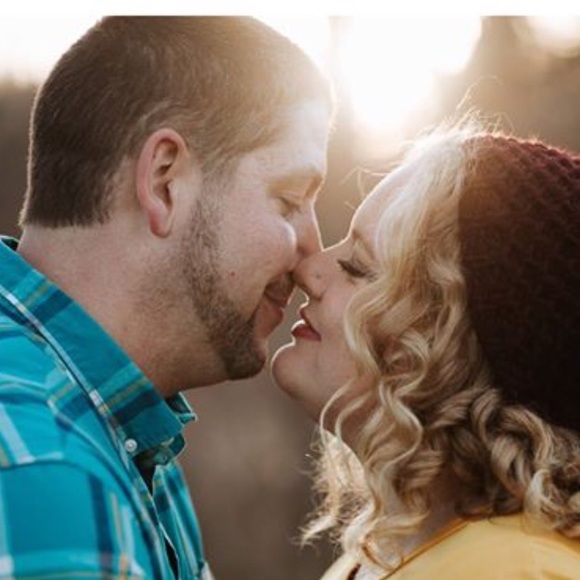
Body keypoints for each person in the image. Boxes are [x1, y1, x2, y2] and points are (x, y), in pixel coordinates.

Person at [0, 16, 332, 579]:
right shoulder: (51, 472)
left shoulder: (125, 439)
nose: (312, 254)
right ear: (164, 180)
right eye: (288, 200)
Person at [272, 121, 580, 579]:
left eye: (357, 267)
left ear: (451, 350)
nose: (308, 269)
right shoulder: (371, 558)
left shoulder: (515, 570)